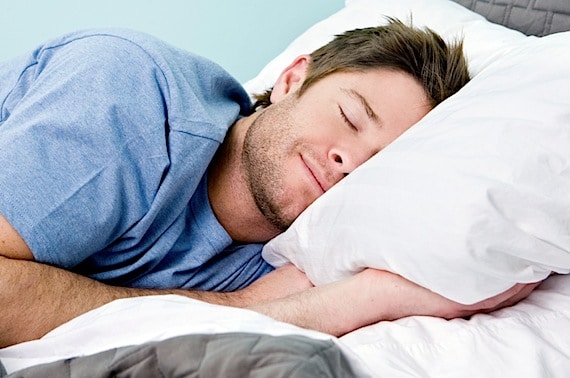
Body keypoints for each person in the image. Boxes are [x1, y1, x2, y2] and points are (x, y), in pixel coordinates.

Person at [0, 19, 537, 348]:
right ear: (293, 78)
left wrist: (377, 294)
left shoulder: (300, 259)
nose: (345, 159)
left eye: (376, 166)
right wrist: (245, 311)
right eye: (350, 117)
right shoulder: (128, 92)